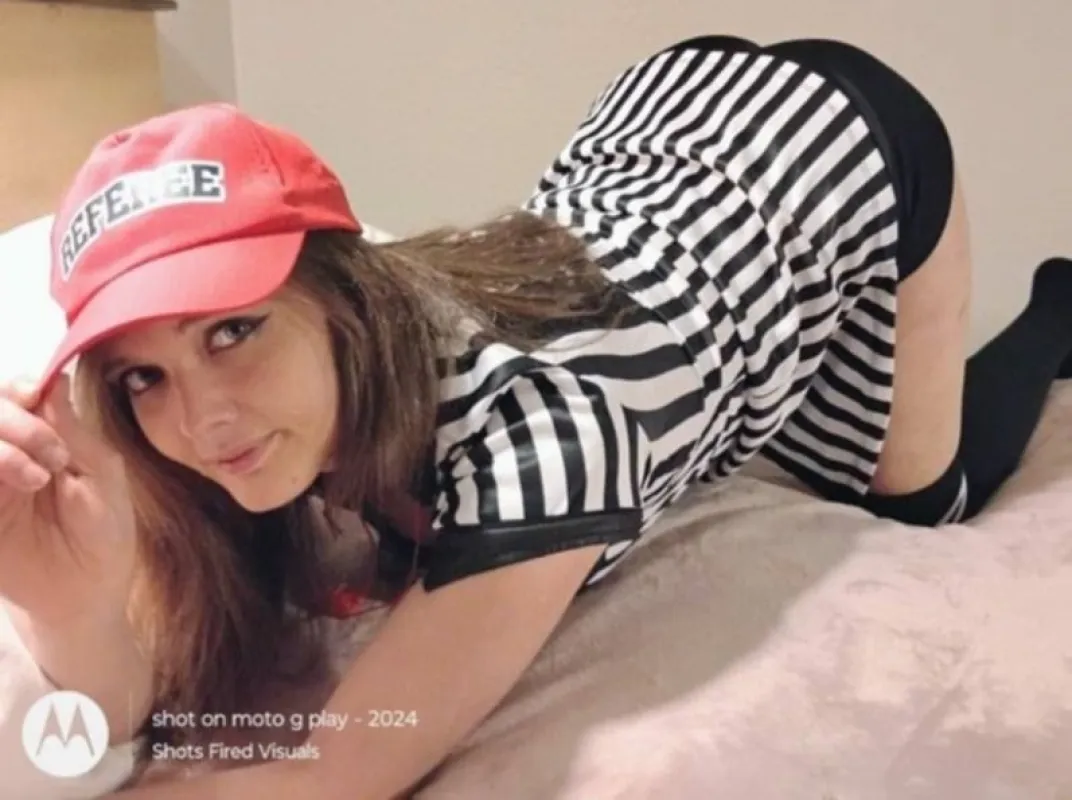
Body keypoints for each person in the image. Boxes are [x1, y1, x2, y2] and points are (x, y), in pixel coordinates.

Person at [1, 34, 1070, 798]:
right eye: (141, 376)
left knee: (916, 499)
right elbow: (130, 715)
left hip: (839, 143)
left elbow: (339, 770)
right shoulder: (217, 433)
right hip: (661, 118)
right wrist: (69, 609)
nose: (202, 421)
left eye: (233, 330)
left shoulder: (540, 443)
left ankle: (1057, 308)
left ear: (347, 295)